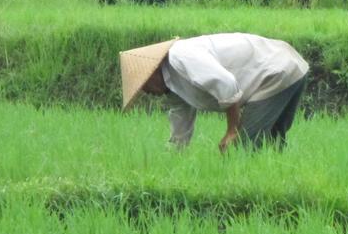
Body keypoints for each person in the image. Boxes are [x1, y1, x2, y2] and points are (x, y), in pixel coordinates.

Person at [119, 33, 309, 152]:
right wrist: (171, 158)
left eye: (143, 86)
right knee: (272, 146)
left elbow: (226, 84)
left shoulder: (181, 56)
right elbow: (180, 128)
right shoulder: (173, 87)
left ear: (151, 72)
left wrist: (232, 131)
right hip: (287, 66)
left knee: (242, 149)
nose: (146, 92)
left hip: (276, 70)